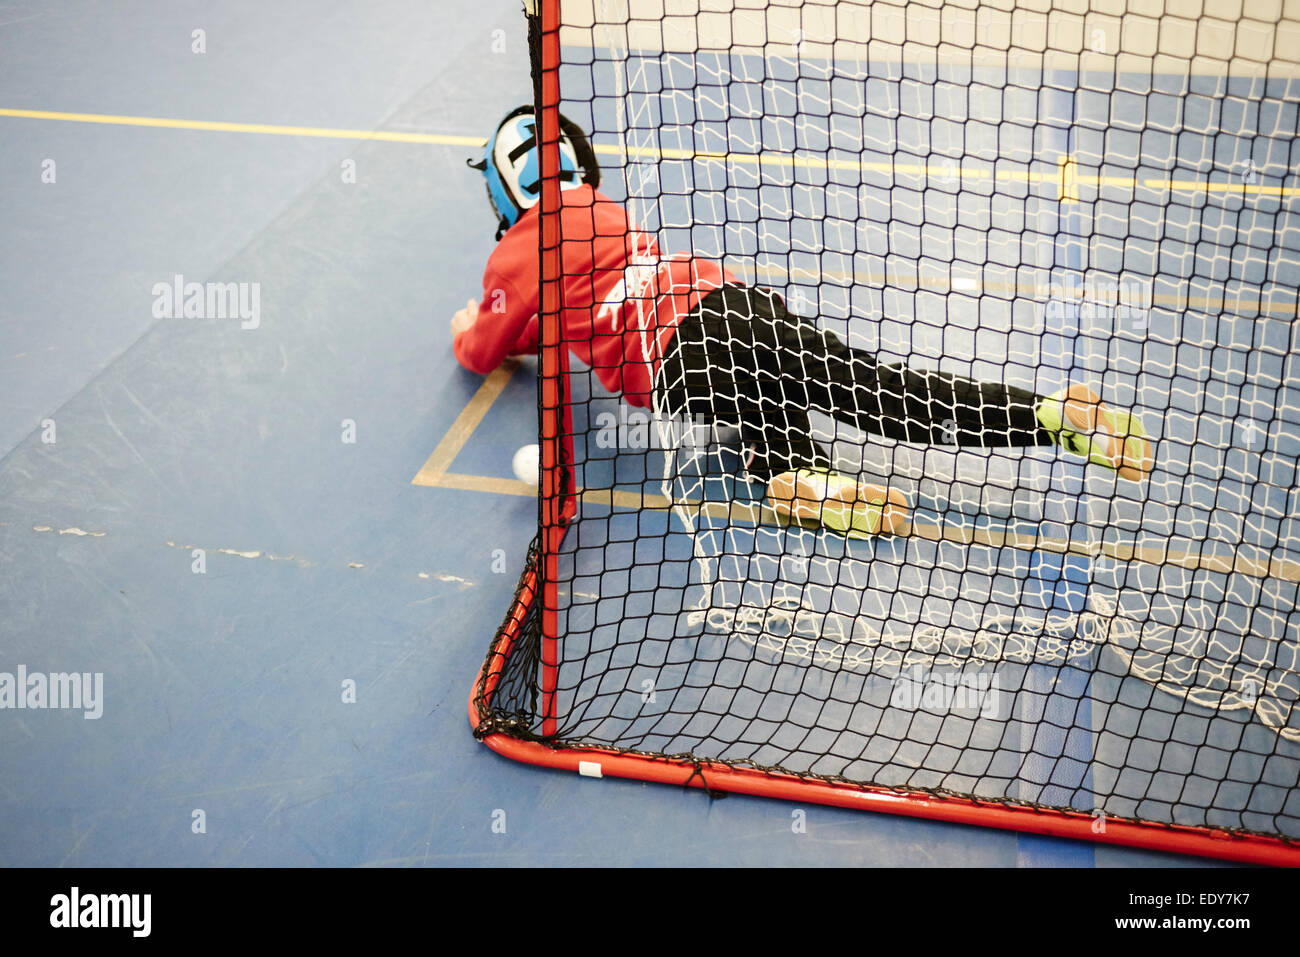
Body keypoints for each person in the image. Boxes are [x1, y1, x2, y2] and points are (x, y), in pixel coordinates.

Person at [452, 106, 1153, 537]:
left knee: (747, 398)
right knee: (882, 391)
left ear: (501, 191)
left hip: (679, 358)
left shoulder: (516, 256)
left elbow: (485, 350)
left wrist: (468, 325)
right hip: (732, 300)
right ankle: (1048, 415)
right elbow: (569, 301)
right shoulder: (603, 209)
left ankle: (802, 474)